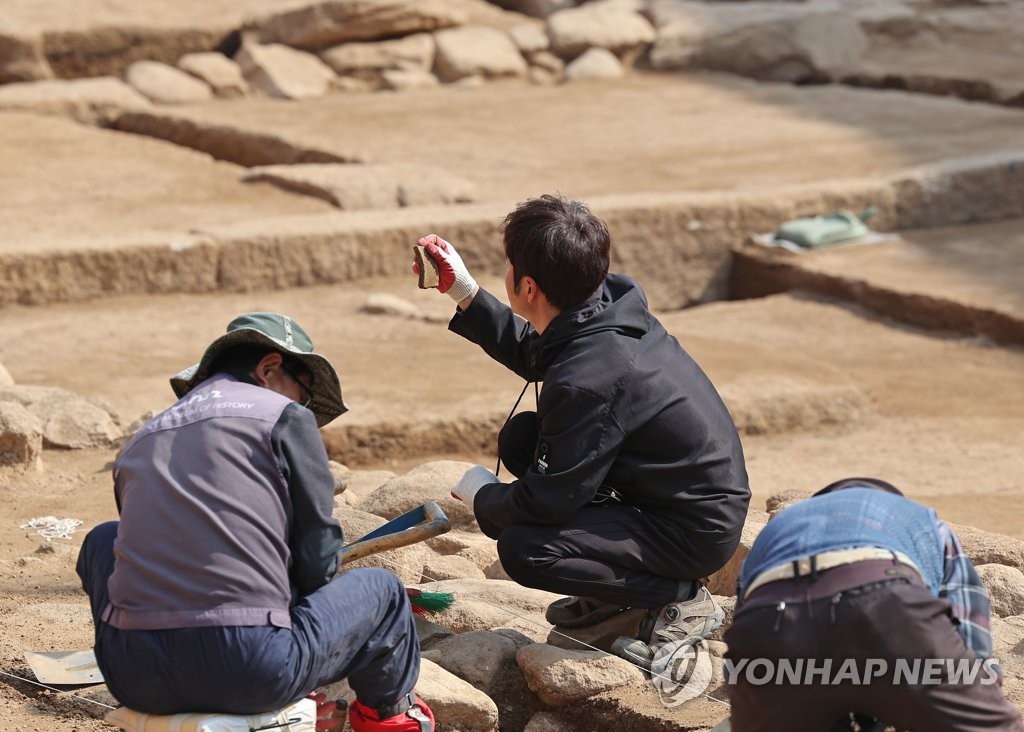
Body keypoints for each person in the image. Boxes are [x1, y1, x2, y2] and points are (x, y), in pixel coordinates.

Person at [413, 194, 751, 668]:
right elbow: (538, 352)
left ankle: (678, 596)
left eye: (507, 267)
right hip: (671, 496)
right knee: (523, 440)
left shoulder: (589, 378)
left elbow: (545, 503)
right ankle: (615, 587)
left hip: (690, 530)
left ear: (527, 287)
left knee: (525, 548)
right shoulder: (608, 304)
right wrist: (463, 291)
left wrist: (483, 498)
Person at [76, 312, 434, 732]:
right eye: (302, 395)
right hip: (249, 669)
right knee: (385, 592)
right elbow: (316, 559)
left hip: (134, 677)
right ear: (269, 368)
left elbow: (149, 549)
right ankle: (392, 722)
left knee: (104, 539)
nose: (301, 407)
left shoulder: (143, 437)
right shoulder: (283, 417)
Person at [725, 477, 1024, 731]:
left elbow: (743, 626)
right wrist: (976, 701)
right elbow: (970, 638)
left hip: (771, 632)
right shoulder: (920, 519)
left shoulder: (776, 532)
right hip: (885, 606)